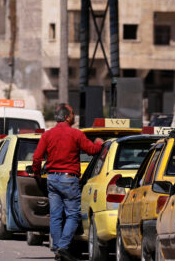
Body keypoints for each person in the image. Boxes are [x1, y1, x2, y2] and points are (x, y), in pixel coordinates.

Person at [32, 104, 104, 261]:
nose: (74, 116)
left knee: (56, 215)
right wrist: (99, 143)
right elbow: (92, 150)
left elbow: (37, 157)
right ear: (67, 117)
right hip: (68, 179)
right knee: (73, 215)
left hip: (52, 178)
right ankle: (63, 247)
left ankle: (58, 249)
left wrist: (37, 174)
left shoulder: (47, 135)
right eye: (73, 113)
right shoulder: (75, 134)